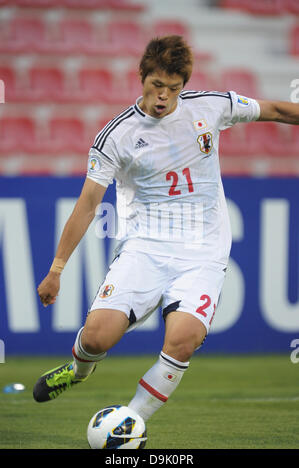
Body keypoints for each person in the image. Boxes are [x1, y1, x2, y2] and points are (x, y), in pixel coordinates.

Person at [33, 36, 299, 423]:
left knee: (183, 340)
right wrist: (56, 269)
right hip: (145, 248)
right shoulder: (117, 136)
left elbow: (273, 109)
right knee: (95, 338)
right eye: (156, 85)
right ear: (142, 77)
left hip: (203, 253)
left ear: (183, 85)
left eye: (173, 88)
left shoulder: (210, 107)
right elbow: (88, 204)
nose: (163, 96)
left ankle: (130, 421)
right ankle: (78, 371)